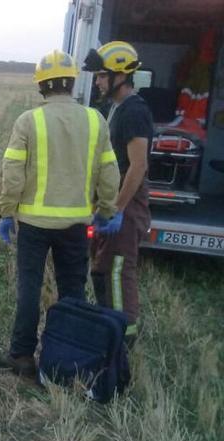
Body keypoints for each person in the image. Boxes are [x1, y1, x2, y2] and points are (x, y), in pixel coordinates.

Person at [0, 50, 121, 376]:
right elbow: (109, 171)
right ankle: (67, 358)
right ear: (73, 82)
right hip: (76, 224)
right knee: (73, 291)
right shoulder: (95, 119)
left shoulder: (28, 121)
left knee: (29, 288)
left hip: (34, 224)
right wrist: (107, 209)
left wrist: (7, 212)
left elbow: (13, 171)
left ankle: (21, 356)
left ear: (41, 86)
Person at [83, 41, 153, 346]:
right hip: (111, 202)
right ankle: (108, 330)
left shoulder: (135, 111)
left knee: (117, 272)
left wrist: (118, 210)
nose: (97, 81)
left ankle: (122, 344)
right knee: (101, 268)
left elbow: (137, 167)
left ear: (120, 76)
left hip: (126, 205)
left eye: (101, 75)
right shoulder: (116, 109)